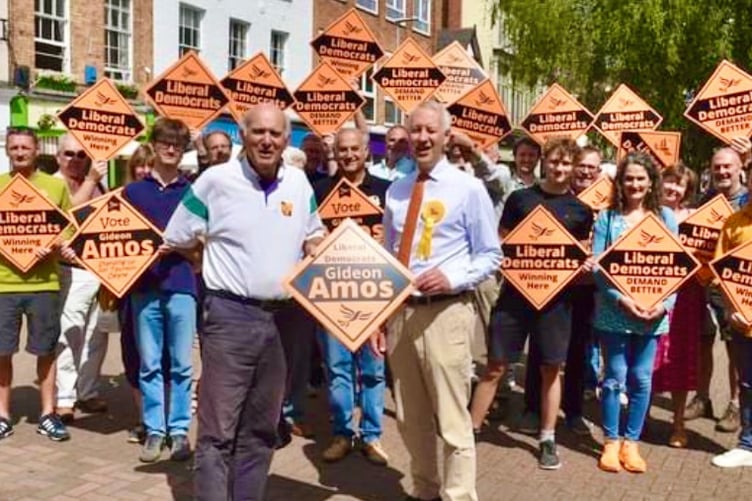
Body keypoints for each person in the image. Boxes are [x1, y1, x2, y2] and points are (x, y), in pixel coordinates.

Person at [164, 103, 324, 500]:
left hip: (285, 319)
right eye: (258, 132)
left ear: (287, 139)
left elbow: (314, 233)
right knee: (218, 431)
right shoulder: (216, 181)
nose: (266, 140)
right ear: (243, 135)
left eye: (275, 134)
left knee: (260, 429)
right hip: (230, 317)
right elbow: (176, 236)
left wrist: (320, 250)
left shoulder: (299, 184)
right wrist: (203, 261)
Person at [375, 100, 501, 501]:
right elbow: (391, 257)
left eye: (431, 130)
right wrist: (381, 319)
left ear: (448, 137)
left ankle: (459, 495)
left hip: (447, 313)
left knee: (451, 419)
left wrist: (451, 277)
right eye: (416, 130)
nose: (422, 138)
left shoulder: (469, 188)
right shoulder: (396, 191)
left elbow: (490, 254)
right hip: (402, 316)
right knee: (411, 420)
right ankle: (425, 491)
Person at [469, 137, 593, 470]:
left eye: (566, 163)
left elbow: (580, 254)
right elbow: (501, 240)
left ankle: (547, 438)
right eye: (555, 161)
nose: (560, 168)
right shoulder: (521, 199)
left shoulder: (581, 210)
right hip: (514, 298)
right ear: (544, 162)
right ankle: (470, 430)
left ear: (573, 167)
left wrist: (583, 266)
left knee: (551, 369)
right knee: (495, 365)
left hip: (556, 302)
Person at [592, 153, 677, 473]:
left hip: (652, 313)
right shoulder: (607, 218)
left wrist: (664, 305)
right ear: (620, 182)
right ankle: (611, 442)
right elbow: (599, 268)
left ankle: (632, 443)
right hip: (615, 311)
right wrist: (621, 299)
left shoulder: (665, 217)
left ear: (651, 181)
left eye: (641, 178)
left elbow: (676, 268)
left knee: (641, 379)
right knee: (614, 378)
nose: (635, 184)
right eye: (629, 178)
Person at [312, 128, 390, 465]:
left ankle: (372, 437)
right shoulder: (319, 192)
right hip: (332, 297)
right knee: (338, 369)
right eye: (342, 150)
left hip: (374, 297)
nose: (348, 155)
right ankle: (342, 434)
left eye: (354, 149)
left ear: (365, 152)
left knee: (373, 371)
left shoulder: (387, 193)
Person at [123, 118, 198, 463]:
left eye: (178, 145)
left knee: (182, 364)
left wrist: (179, 247)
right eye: (166, 143)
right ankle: (155, 430)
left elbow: (204, 245)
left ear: (184, 151)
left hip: (182, 284)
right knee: (150, 363)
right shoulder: (133, 192)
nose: (171, 149)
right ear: (153, 145)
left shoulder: (194, 192)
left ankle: (180, 430)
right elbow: (118, 239)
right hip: (143, 286)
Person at [522, 145, 603, 437]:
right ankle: (533, 407)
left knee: (579, 348)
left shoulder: (605, 203)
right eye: (582, 166)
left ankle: (573, 411)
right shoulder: (553, 199)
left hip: (584, 289)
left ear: (599, 172)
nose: (585, 172)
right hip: (547, 284)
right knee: (540, 349)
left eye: (592, 168)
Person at [0, 127, 73, 442]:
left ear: (36, 149)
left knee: (46, 351)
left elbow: (69, 230)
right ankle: (2, 415)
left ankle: (47, 413)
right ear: (6, 150)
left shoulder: (55, 187)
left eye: (25, 147)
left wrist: (54, 243)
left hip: (45, 282)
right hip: (3, 284)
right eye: (13, 147)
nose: (19, 152)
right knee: (2, 353)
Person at [686, 145, 749, 433]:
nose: (722, 172)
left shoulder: (747, 201)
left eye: (728, 166)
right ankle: (702, 397)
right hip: (704, 282)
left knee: (734, 347)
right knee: (702, 341)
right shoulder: (705, 200)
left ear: (740, 169)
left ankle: (735, 405)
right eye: (717, 167)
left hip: (737, 289)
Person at [53, 134, 110, 422]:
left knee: (96, 335)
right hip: (71, 271)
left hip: (99, 270)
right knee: (70, 331)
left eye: (81, 155)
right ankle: (64, 398)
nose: (76, 160)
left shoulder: (100, 184)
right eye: (70, 154)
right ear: (58, 157)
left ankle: (87, 392)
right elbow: (67, 217)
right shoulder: (54, 184)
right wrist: (90, 180)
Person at [652, 163, 701, 448]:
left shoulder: (696, 218)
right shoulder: (644, 214)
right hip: (649, 293)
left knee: (678, 358)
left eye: (679, 184)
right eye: (669, 180)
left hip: (686, 297)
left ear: (687, 190)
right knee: (646, 359)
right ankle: (639, 417)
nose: (673, 188)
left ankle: (678, 423)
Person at [711, 164, 752, 468]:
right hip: (742, 320)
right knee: (748, 384)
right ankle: (748, 444)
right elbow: (720, 274)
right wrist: (729, 308)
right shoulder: (734, 222)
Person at [119, 144, 155, 444]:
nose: (144, 170)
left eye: (149, 165)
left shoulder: (165, 199)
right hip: (127, 289)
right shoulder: (120, 199)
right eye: (139, 165)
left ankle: (161, 421)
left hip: (159, 287)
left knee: (160, 356)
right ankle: (144, 418)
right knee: (133, 353)